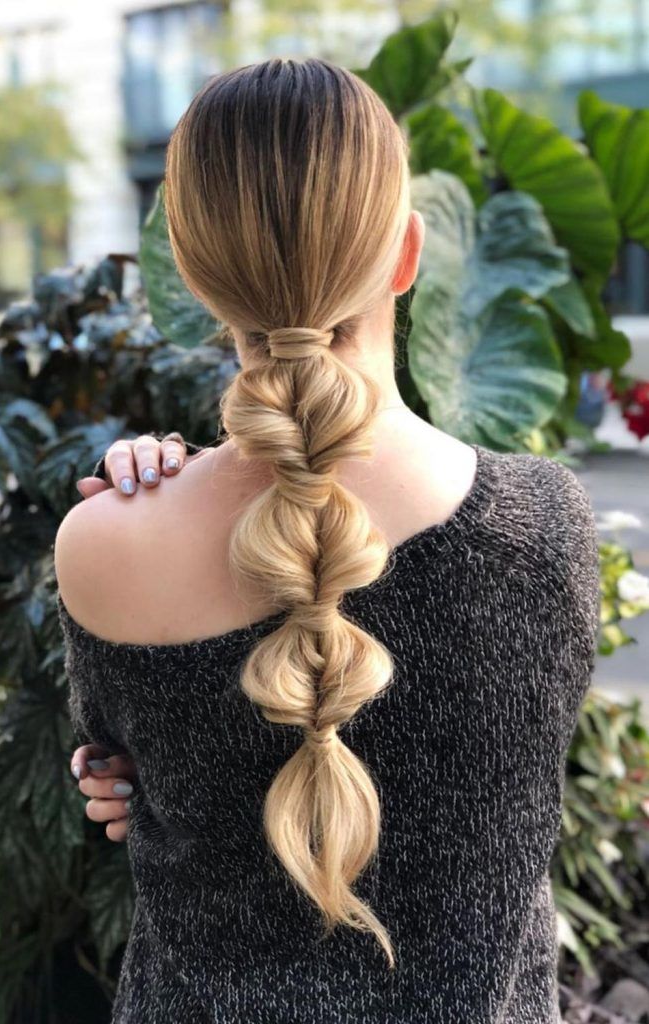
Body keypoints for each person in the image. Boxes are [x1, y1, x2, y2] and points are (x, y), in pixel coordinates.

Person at [54, 56, 601, 1023]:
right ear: (405, 254)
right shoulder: (543, 527)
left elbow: (119, 771)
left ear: (188, 272)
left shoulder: (105, 544)